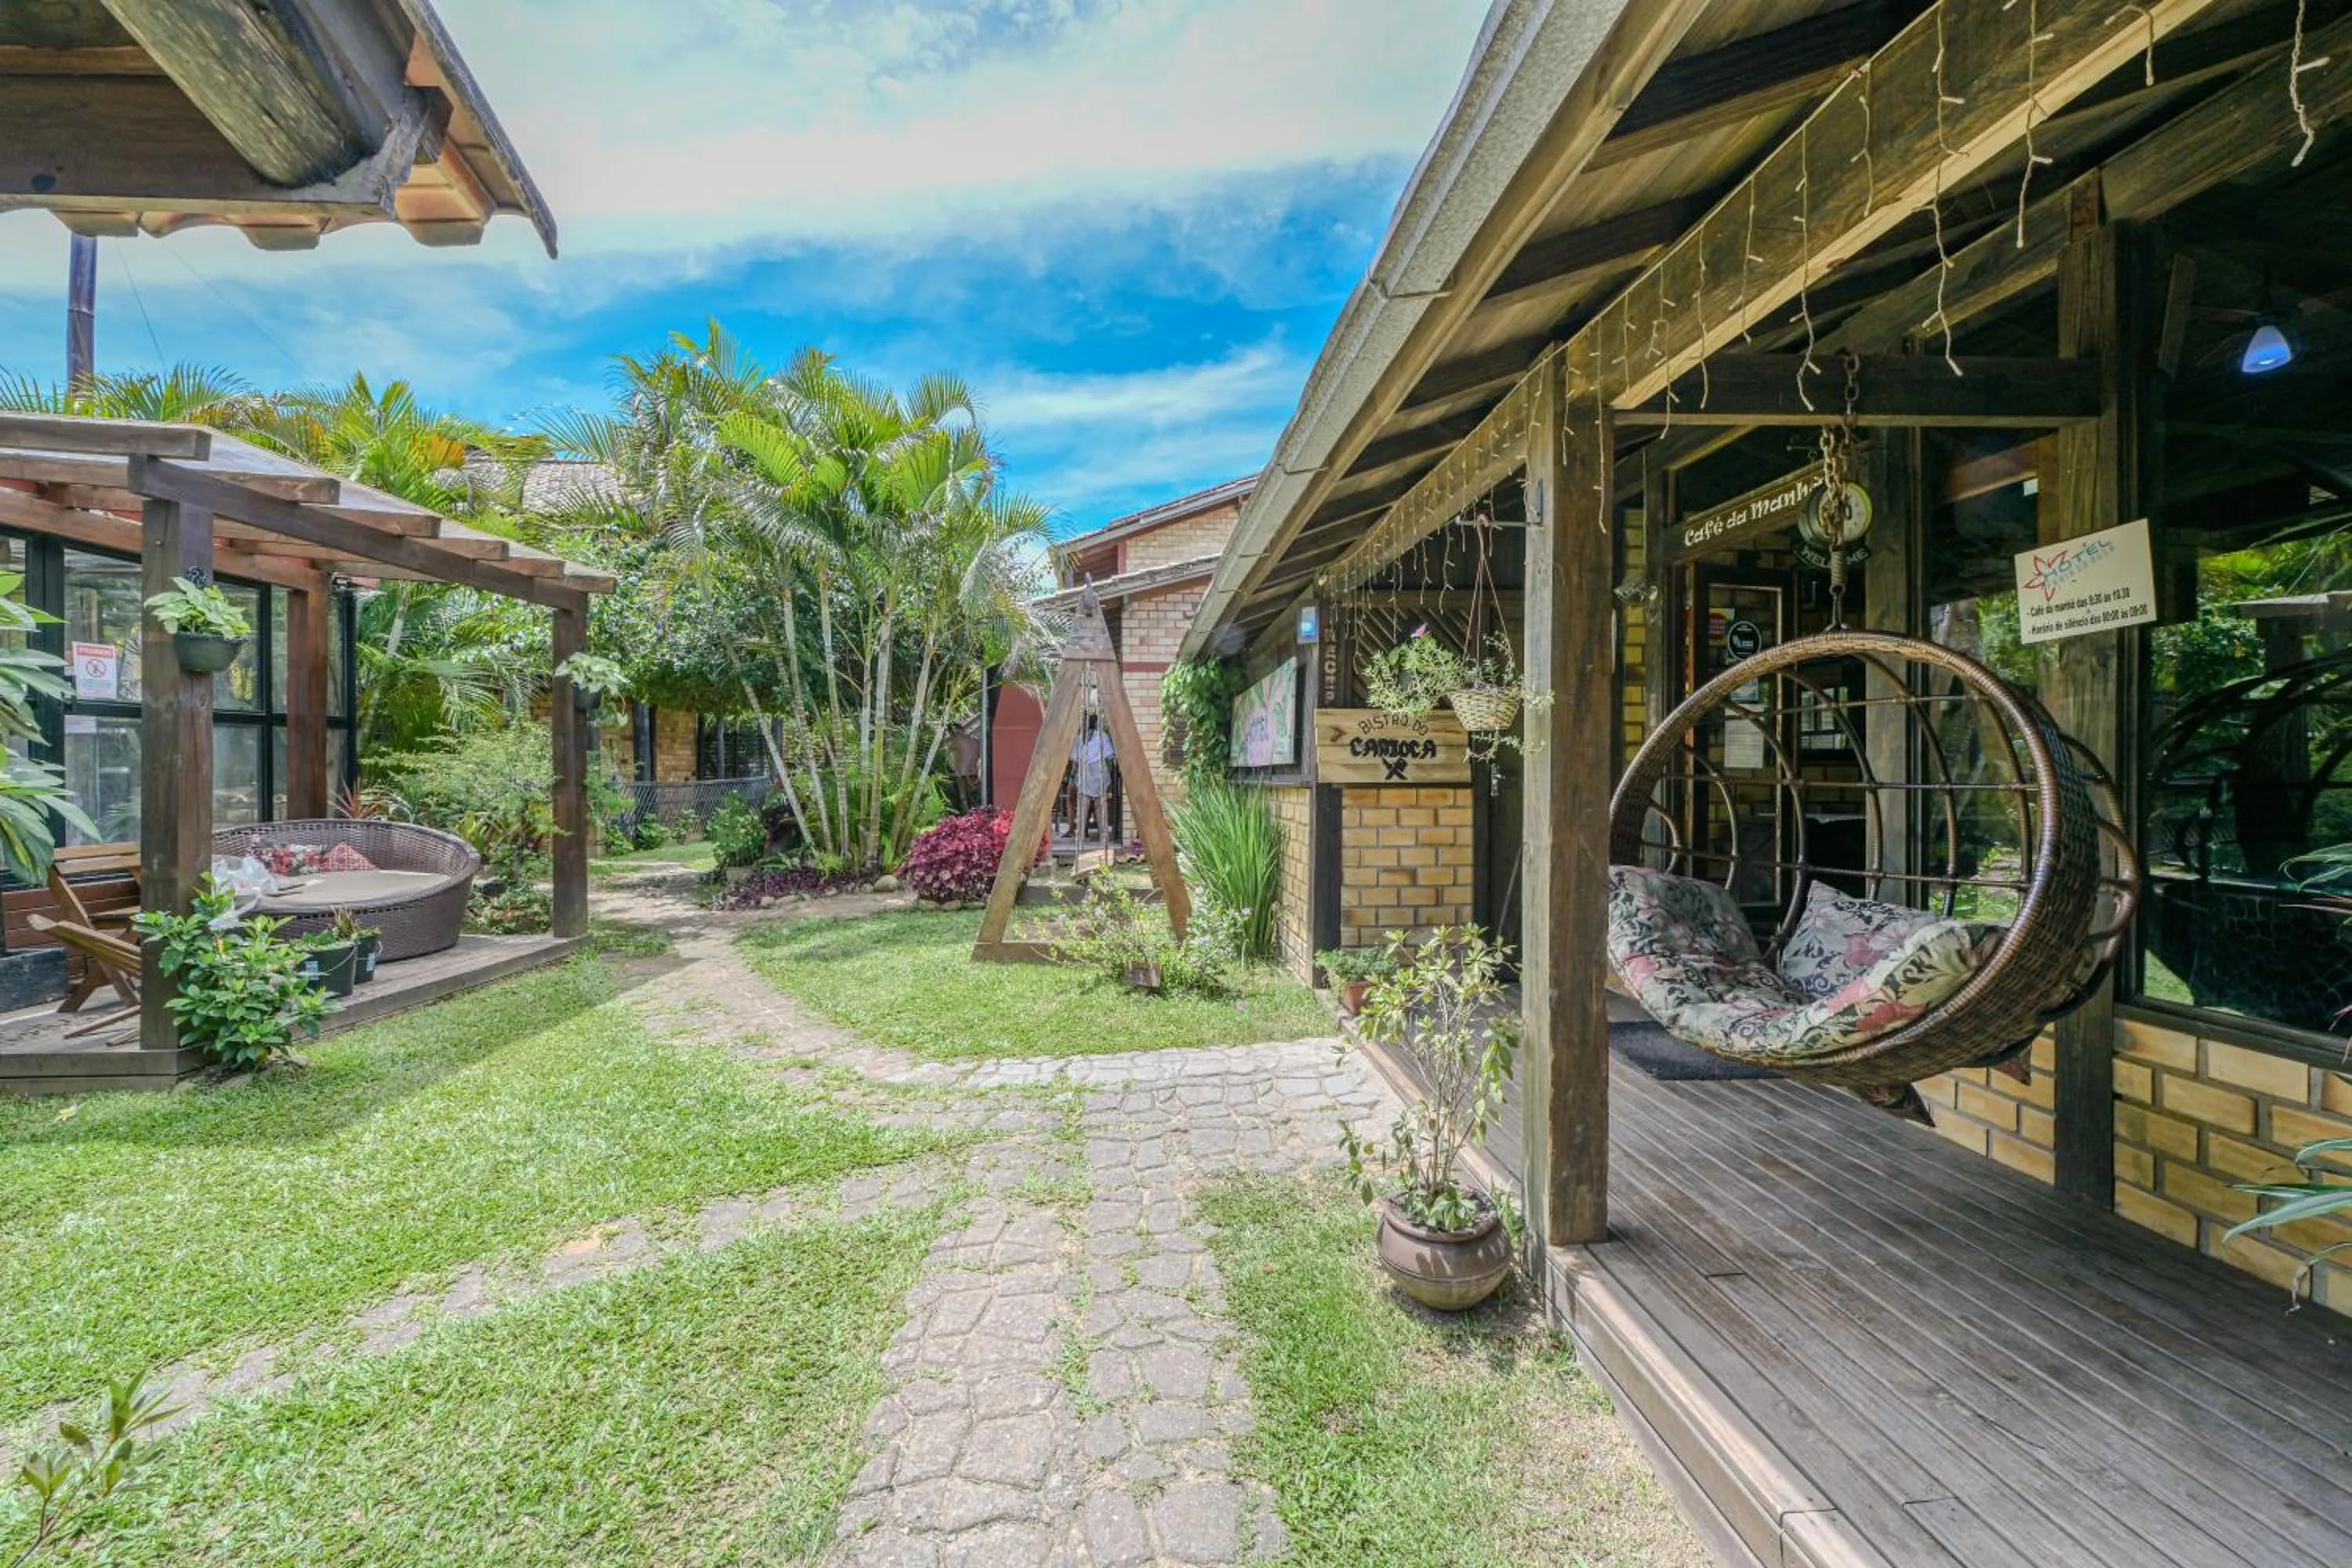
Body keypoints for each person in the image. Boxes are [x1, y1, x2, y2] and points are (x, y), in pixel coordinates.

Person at [1072, 713, 1115, 844]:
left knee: (1083, 805)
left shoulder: (1079, 738)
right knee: (1100, 805)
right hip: (1099, 770)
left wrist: (1074, 775)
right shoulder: (1103, 737)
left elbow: (1075, 760)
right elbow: (1109, 757)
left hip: (1085, 771)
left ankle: (1080, 837)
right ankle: (1104, 836)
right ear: (1096, 724)